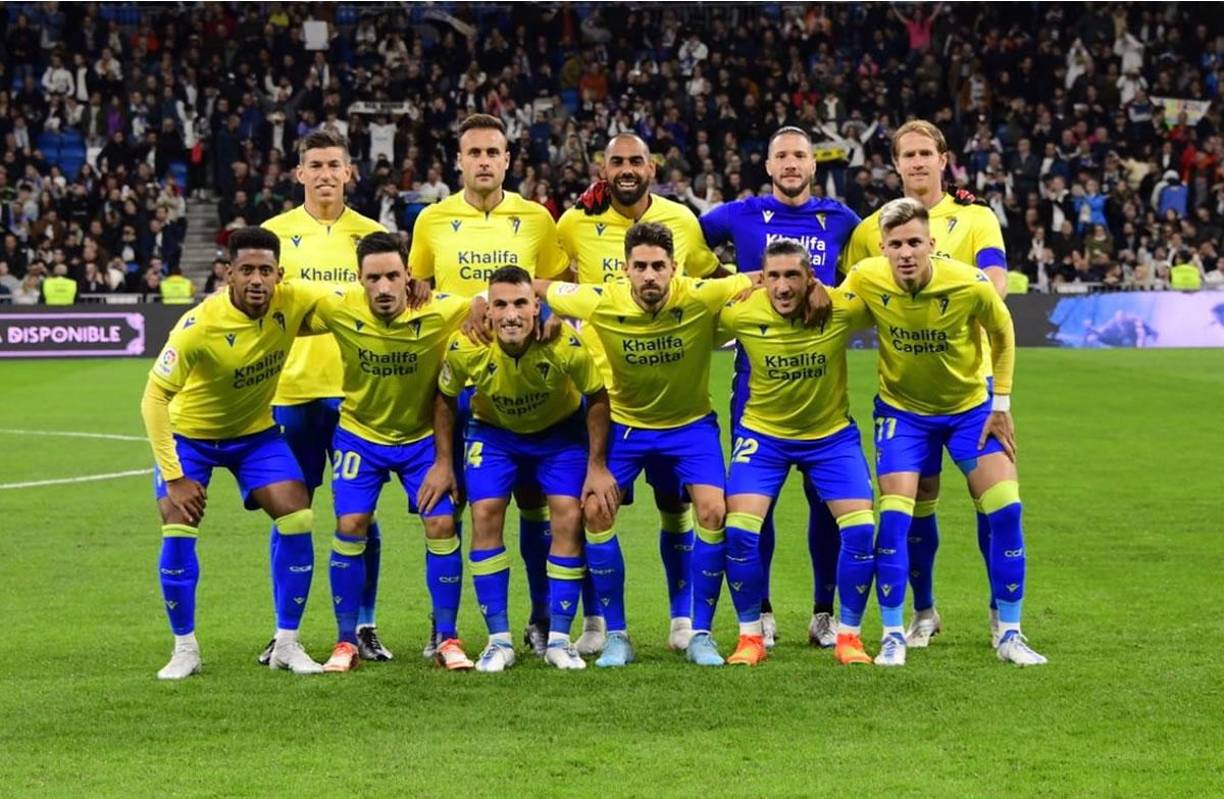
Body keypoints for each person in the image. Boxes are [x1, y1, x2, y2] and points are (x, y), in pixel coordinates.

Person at [537, 222, 828, 667]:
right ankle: (616, 636)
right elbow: (538, 286)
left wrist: (818, 287)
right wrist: (490, 305)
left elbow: (762, 278)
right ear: (625, 270)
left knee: (713, 511)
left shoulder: (699, 294)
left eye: (658, 266)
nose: (649, 275)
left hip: (690, 428)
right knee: (594, 509)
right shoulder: (600, 299)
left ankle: (699, 633)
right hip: (626, 427)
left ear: (674, 268)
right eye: (640, 267)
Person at [843, 198, 1046, 667]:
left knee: (1006, 509)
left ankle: (1010, 632)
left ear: (931, 244)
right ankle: (894, 634)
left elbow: (1002, 330)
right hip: (904, 415)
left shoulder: (968, 282)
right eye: (896, 244)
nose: (906, 253)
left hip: (970, 411)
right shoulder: (866, 277)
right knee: (895, 519)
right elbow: (832, 311)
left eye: (914, 242)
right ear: (882, 248)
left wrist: (1001, 403)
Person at [557, 131, 725, 655]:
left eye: (636, 161)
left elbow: (725, 278)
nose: (627, 169)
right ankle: (604, 628)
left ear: (652, 166)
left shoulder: (684, 225)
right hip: (608, 406)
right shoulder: (575, 225)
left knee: (688, 509)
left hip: (683, 411)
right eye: (617, 162)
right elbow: (548, 282)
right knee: (592, 507)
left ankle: (687, 624)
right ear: (602, 169)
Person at [409, 114, 569, 658]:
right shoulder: (431, 220)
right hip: (454, 381)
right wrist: (467, 307)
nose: (483, 161)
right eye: (473, 152)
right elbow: (418, 293)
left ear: (507, 160)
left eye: (492, 152)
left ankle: (541, 619)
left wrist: (545, 314)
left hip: (523, 380)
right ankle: (444, 627)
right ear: (459, 161)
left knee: (534, 505)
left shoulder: (536, 219)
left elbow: (555, 287)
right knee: (451, 505)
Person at [845, 120, 1010, 648]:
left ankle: (1000, 611)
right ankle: (923, 610)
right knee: (921, 499)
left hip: (971, 381)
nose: (917, 162)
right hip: (907, 392)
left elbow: (996, 284)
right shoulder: (871, 229)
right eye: (907, 155)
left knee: (991, 499)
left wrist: (949, 303)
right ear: (895, 164)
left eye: (925, 153)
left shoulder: (976, 217)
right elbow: (854, 296)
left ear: (943, 159)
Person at [140, 227, 327, 680]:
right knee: (178, 524)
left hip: (255, 436)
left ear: (279, 274)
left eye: (265, 270)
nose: (256, 280)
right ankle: (185, 649)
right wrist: (175, 477)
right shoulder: (199, 325)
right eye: (246, 270)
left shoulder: (293, 301)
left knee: (298, 515)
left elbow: (349, 305)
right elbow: (154, 398)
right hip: (191, 438)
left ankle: (287, 643)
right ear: (229, 274)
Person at [700, 125, 858, 650]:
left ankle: (823, 613)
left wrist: (831, 289)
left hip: (821, 390)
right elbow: (685, 240)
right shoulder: (738, 214)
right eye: (782, 156)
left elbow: (869, 269)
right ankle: (762, 611)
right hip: (756, 388)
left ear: (814, 165)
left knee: (826, 505)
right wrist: (730, 279)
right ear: (768, 166)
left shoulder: (841, 219)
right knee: (753, 506)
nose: (791, 163)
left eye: (800, 156)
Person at [299, 232, 473, 673]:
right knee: (350, 524)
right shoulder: (339, 307)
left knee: (441, 523)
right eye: (373, 278)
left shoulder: (440, 309)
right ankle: (345, 642)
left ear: (408, 275)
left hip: (421, 441)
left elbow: (490, 303)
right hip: (360, 436)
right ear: (358, 279)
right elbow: (284, 313)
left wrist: (546, 320)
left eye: (393, 276)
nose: (383, 287)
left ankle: (447, 638)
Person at [436, 266, 614, 671]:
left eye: (520, 303)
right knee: (484, 513)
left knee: (568, 516)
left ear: (537, 307)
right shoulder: (466, 345)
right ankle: (498, 642)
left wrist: (597, 465)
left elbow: (597, 396)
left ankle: (559, 641)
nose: (511, 315)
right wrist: (444, 462)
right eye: (500, 305)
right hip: (494, 435)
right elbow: (444, 399)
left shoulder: (564, 342)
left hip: (558, 434)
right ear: (488, 311)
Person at [717, 238, 883, 667]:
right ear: (762, 279)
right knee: (740, 532)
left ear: (810, 277)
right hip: (764, 438)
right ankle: (751, 637)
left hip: (830, 438)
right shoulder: (740, 312)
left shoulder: (841, 308)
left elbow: (891, 298)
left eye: (792, 275)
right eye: (773, 276)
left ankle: (849, 637)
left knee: (861, 530)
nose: (782, 286)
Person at [259, 130, 391, 666]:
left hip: (357, 395)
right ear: (299, 173)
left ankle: (364, 625)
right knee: (290, 515)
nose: (325, 174)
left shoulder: (373, 235)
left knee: (360, 515)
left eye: (334, 164)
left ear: (350, 172)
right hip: (291, 393)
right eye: (315, 165)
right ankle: (284, 632)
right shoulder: (274, 235)